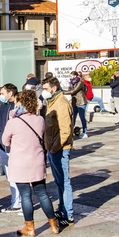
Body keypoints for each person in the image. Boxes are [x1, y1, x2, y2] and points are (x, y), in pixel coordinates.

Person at [1, 90, 59, 237]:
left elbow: (5, 141)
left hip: (20, 163)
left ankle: (30, 228)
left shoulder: (13, 122)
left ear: (20, 103)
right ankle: (53, 225)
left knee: (26, 196)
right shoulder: (39, 119)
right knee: (43, 194)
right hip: (37, 161)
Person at [44, 77, 76, 227]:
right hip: (53, 148)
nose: (44, 92)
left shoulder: (61, 103)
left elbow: (65, 129)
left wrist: (54, 147)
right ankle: (62, 208)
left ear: (54, 88)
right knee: (59, 182)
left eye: (45, 88)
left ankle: (68, 214)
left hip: (60, 148)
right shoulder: (53, 102)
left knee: (64, 182)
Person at [0, 84, 24, 213]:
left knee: (20, 176)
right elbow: (0, 126)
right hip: (4, 147)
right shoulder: (4, 106)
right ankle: (15, 201)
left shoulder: (20, 106)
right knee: (10, 177)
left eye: (3, 93)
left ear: (10, 93)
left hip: (16, 147)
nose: (1, 95)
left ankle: (23, 202)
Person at [67, 71, 88, 137]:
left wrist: (63, 92)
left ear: (75, 76)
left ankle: (85, 132)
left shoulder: (80, 82)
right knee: (73, 117)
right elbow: (70, 90)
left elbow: (74, 91)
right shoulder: (71, 82)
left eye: (71, 76)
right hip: (74, 101)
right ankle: (71, 131)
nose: (70, 78)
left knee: (82, 117)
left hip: (81, 101)